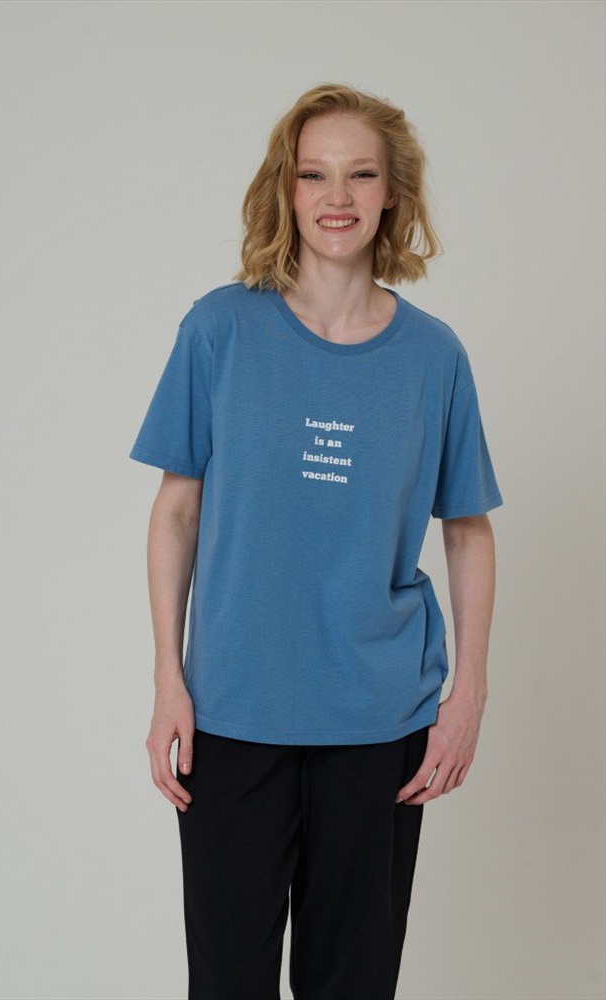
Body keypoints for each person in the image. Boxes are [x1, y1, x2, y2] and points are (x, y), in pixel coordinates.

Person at [129, 83, 503, 1000]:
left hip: (379, 719)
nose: (337, 197)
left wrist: (467, 693)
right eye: (313, 175)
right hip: (232, 712)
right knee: (228, 981)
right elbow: (177, 511)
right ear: (285, 190)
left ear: (391, 192)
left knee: (353, 983)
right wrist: (168, 676)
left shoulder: (433, 357)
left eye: (360, 175)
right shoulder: (219, 329)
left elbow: (466, 528)